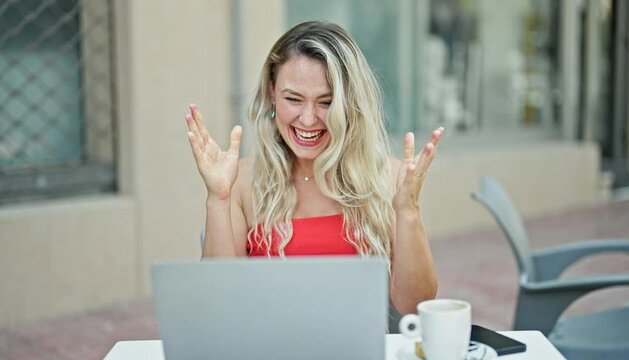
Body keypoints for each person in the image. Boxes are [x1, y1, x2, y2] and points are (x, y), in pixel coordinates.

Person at [184, 20, 443, 314]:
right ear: (271, 93)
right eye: (293, 99)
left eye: (327, 102)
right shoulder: (240, 181)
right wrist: (217, 200)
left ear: (351, 103)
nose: (308, 119)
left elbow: (416, 306)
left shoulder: (389, 176)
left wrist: (408, 210)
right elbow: (218, 305)